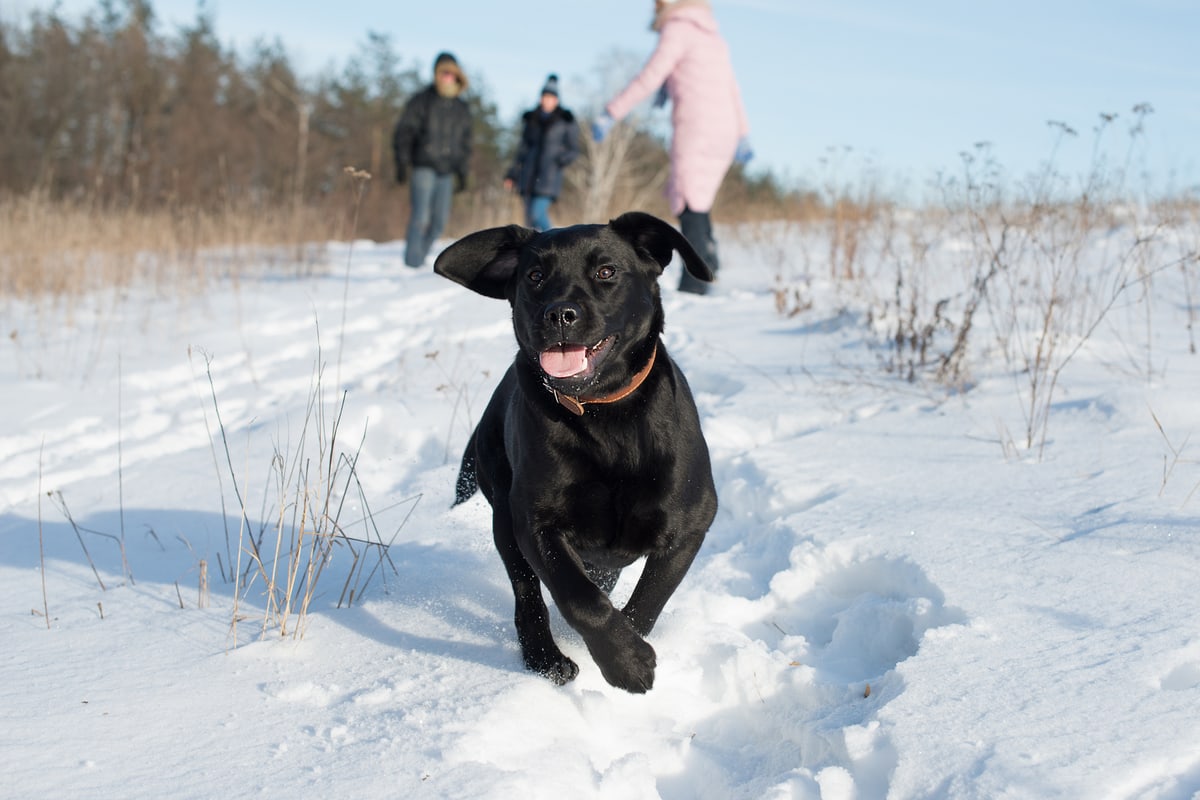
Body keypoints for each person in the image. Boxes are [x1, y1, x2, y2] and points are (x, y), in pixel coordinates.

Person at [592, 0, 752, 294]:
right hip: (725, 130)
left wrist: (611, 112)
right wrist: (742, 133)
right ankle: (709, 263)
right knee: (699, 200)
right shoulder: (712, 35)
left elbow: (650, 76)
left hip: (697, 127)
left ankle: (696, 281)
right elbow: (732, 88)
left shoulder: (679, 29)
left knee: (689, 199)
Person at [392, 52, 473, 268]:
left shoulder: (461, 108)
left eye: (451, 74)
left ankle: (418, 259)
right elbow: (404, 131)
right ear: (437, 74)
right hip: (423, 167)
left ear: (457, 76)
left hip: (447, 171)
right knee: (421, 218)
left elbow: (465, 144)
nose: (447, 78)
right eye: (443, 73)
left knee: (439, 223)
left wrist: (463, 173)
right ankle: (412, 264)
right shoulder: (422, 100)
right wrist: (402, 162)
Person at [504, 74, 581, 231]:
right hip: (528, 176)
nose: (547, 100)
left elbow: (573, 150)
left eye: (550, 97)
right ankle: (533, 247)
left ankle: (554, 241)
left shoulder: (565, 121)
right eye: (544, 97)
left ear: (556, 100)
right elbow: (522, 150)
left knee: (537, 213)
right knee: (528, 221)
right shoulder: (532, 119)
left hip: (549, 177)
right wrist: (512, 174)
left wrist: (559, 160)